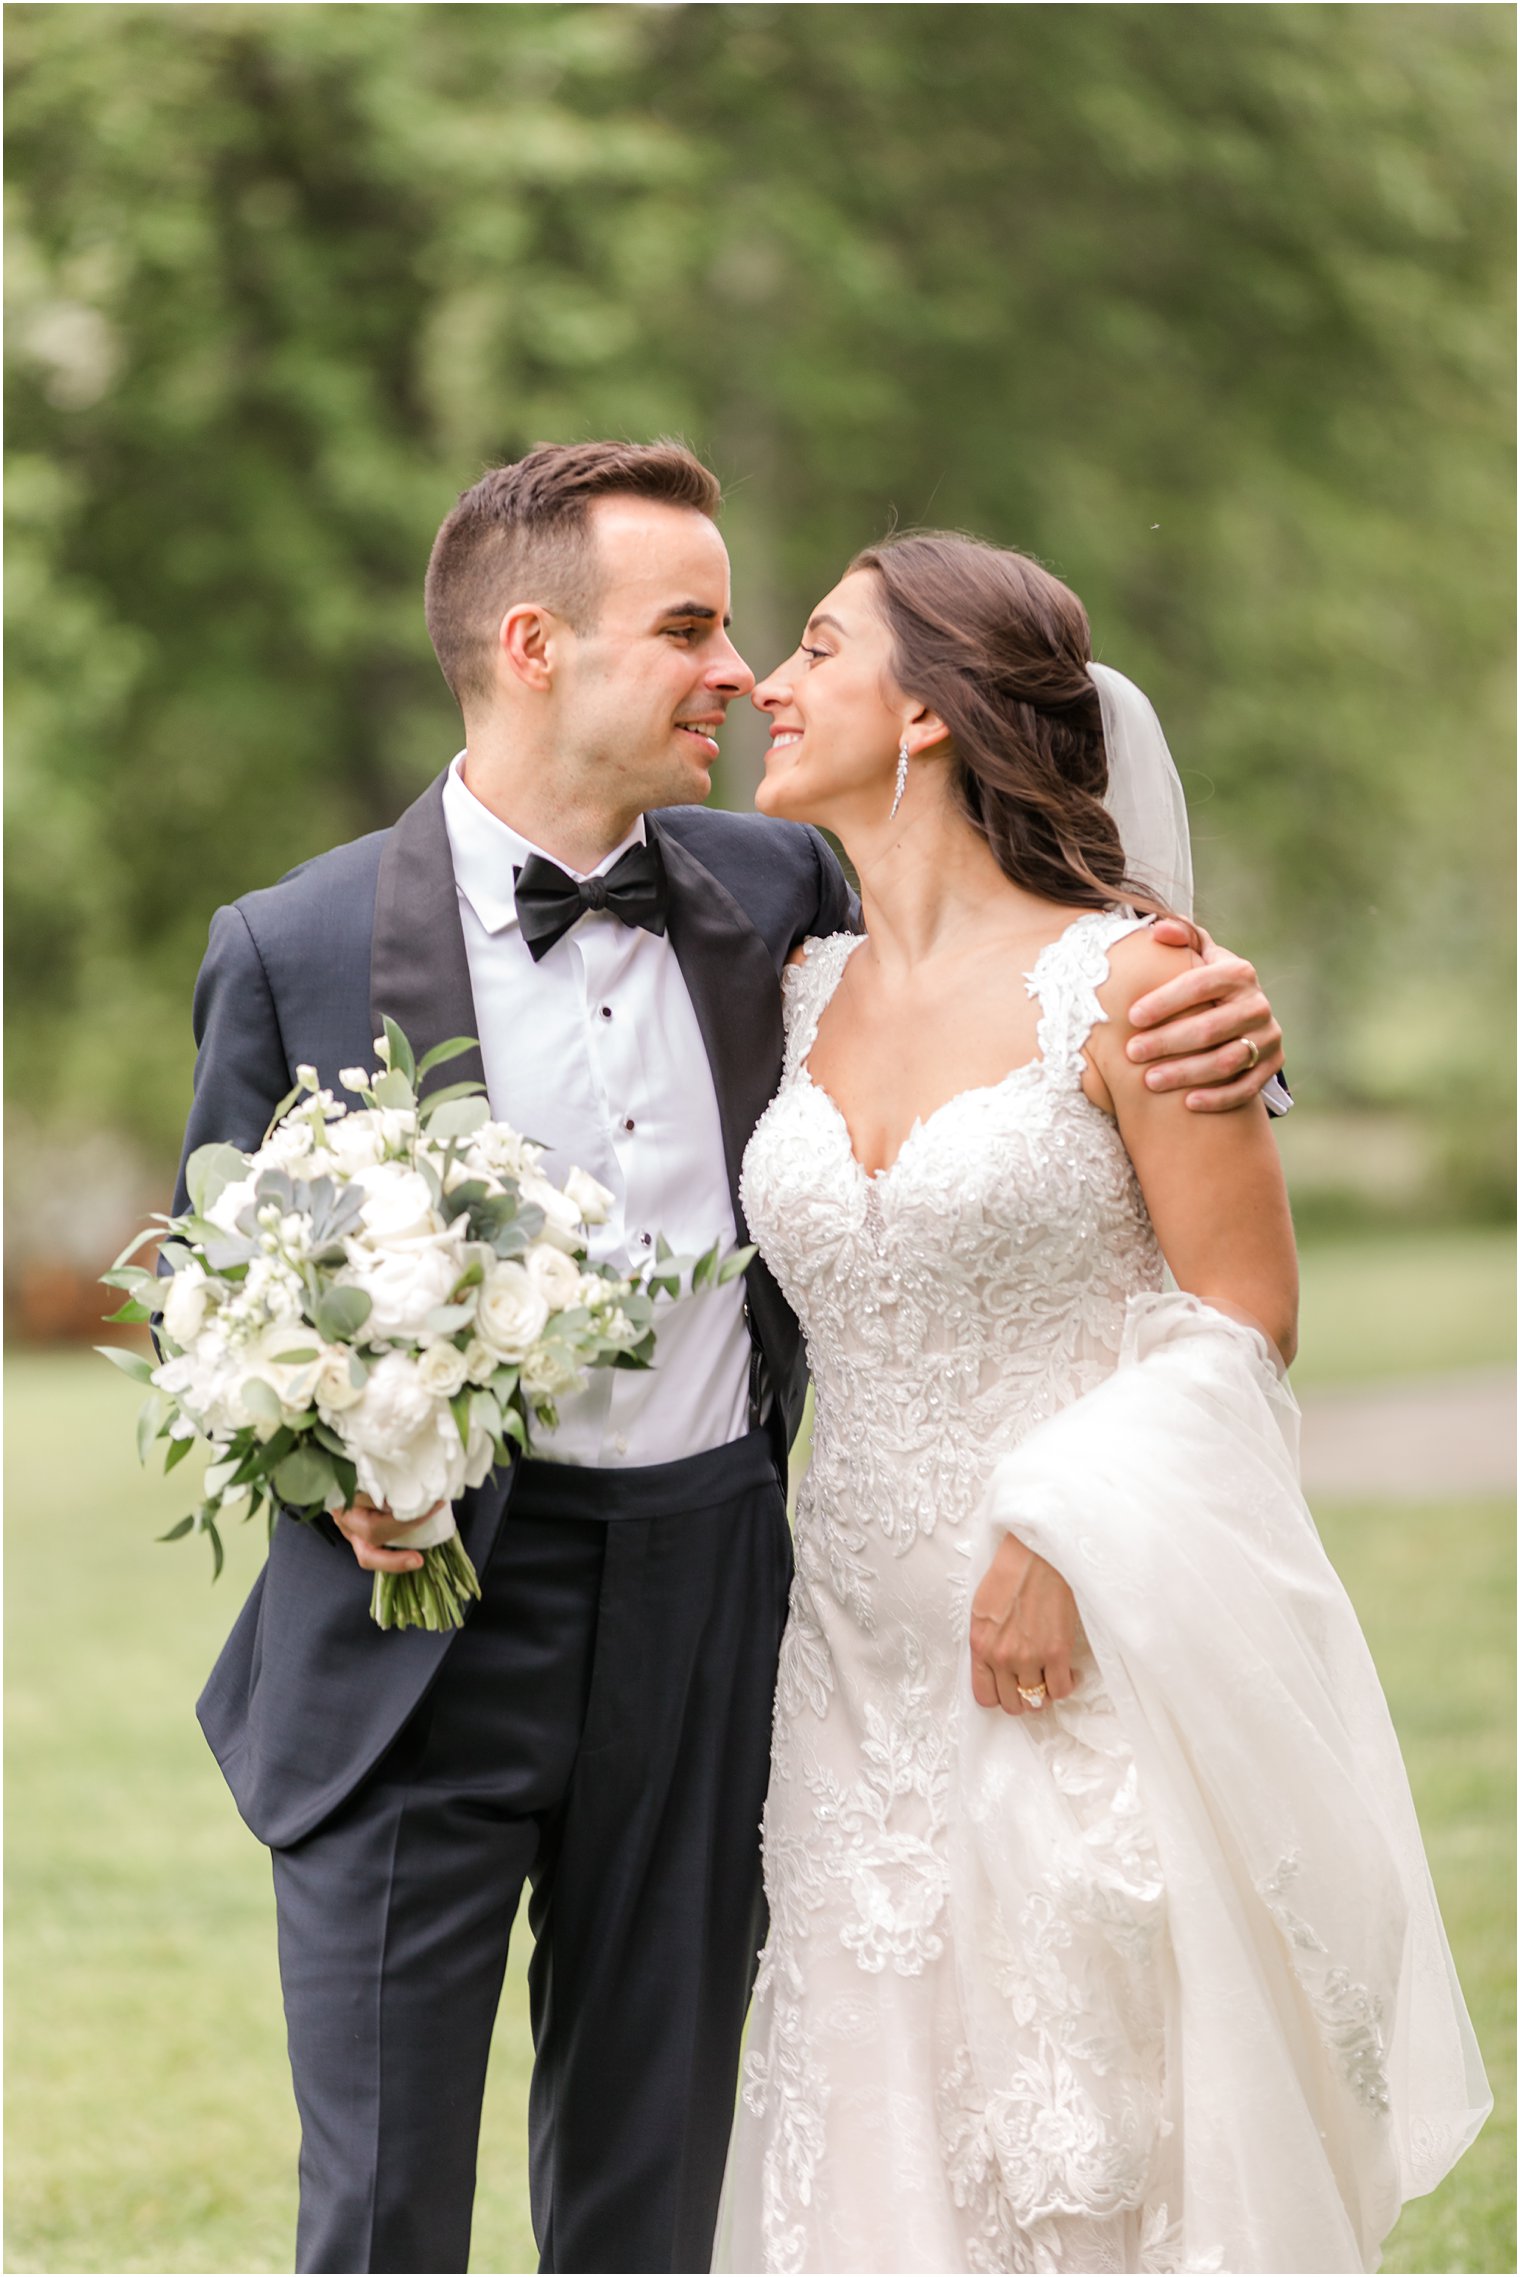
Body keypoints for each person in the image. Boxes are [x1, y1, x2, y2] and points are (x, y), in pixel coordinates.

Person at [178, 445, 1284, 2276]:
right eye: (688, 625)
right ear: (536, 645)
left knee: (660, 2179)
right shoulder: (289, 947)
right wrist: (338, 1468)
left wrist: (1231, 1013)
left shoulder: (784, 890)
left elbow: (1030, 998)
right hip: (414, 1642)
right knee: (377, 2205)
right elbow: (213, 1295)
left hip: (715, 1612)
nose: (739, 669)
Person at [715, 532, 1489, 2273]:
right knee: (865, 2093)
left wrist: (1063, 1529)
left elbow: (1243, 1312)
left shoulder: (1140, 986)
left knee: (1088, 2117)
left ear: (925, 712)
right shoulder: (794, 986)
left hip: (1070, 1648)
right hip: (843, 1659)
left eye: (820, 646)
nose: (773, 678)